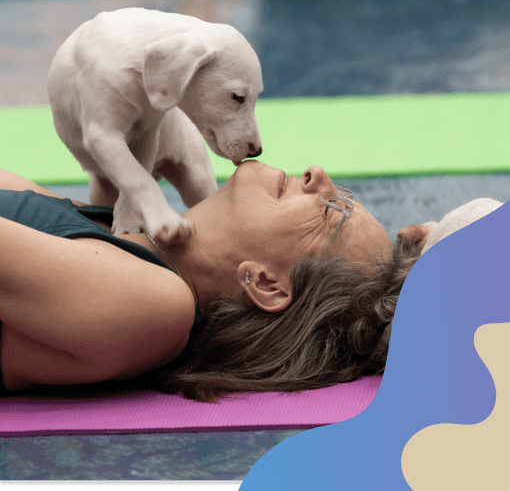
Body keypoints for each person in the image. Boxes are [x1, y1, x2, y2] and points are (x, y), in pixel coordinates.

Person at [0, 162, 421, 401]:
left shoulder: (156, 307)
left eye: (332, 210)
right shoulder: (111, 228)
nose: (318, 175)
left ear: (268, 284)